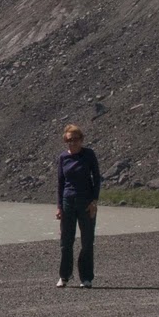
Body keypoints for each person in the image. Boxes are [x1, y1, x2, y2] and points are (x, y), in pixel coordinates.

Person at [55, 123, 101, 288]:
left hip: (86, 203)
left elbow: (96, 178)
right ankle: (65, 276)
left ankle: (86, 277)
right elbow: (60, 183)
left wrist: (94, 201)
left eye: (75, 139)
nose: (72, 143)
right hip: (68, 202)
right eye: (69, 140)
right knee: (66, 241)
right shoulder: (63, 158)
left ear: (81, 140)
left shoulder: (88, 155)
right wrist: (59, 206)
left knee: (87, 241)